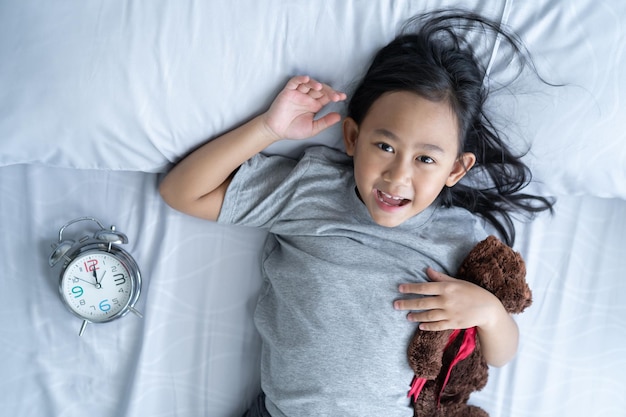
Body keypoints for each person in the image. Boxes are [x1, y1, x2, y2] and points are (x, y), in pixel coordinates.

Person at [159, 10, 553, 417]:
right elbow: (181, 191)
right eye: (384, 147)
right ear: (352, 137)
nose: (398, 177)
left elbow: (502, 354)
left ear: (456, 169)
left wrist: (487, 311)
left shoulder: (461, 240)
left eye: (425, 159)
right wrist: (268, 129)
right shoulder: (310, 190)